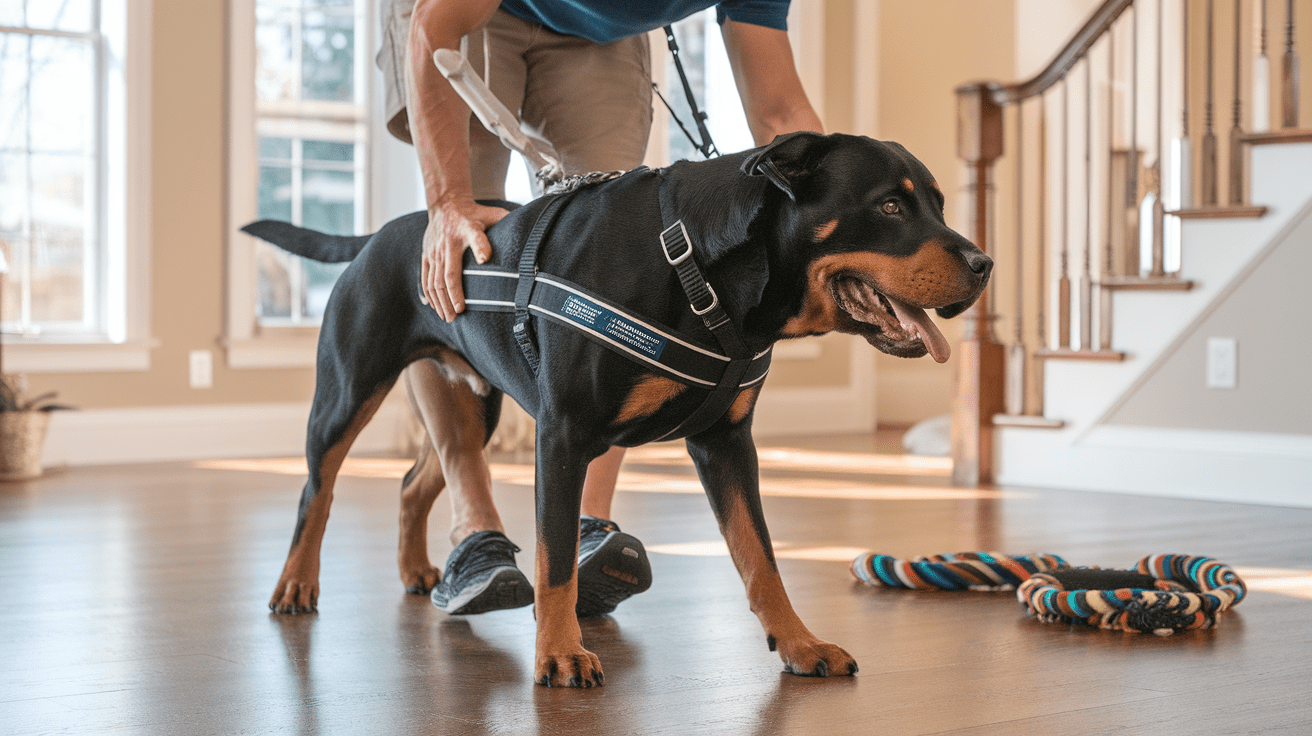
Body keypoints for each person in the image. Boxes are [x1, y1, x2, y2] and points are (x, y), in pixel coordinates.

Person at [376, 0, 822, 617]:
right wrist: (447, 201)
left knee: (616, 260)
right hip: (464, 13)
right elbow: (434, 23)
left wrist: (840, 217)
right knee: (468, 253)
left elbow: (779, 111)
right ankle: (473, 526)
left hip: (604, 31)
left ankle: (587, 524)